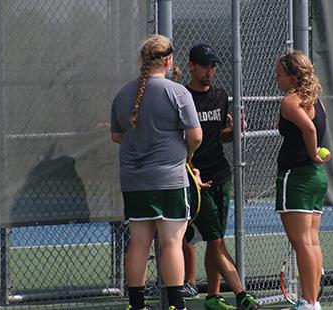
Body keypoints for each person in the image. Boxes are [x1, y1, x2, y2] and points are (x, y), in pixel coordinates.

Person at [110, 34, 202, 310]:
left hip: (134, 180)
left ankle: (136, 306)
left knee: (138, 242)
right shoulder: (177, 92)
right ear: (168, 59)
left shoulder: (123, 94)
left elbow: (117, 136)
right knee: (173, 242)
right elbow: (195, 135)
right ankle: (176, 305)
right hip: (169, 179)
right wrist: (187, 154)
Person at [182, 43, 260, 310]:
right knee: (215, 240)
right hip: (197, 181)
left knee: (217, 241)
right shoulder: (182, 97)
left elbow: (218, 137)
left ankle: (213, 297)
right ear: (191, 65)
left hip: (221, 176)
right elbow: (180, 140)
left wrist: (234, 129)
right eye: (205, 65)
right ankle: (241, 294)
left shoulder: (220, 95)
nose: (210, 70)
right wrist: (188, 169)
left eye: (213, 66)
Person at [274, 50, 331, 310]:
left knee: (302, 242)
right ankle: (313, 301)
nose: (277, 78)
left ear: (293, 76)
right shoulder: (317, 100)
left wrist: (311, 153)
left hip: (296, 177)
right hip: (316, 178)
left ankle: (308, 302)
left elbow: (309, 128)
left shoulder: (291, 102)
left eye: (280, 74)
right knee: (312, 240)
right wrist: (315, 156)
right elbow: (316, 126)